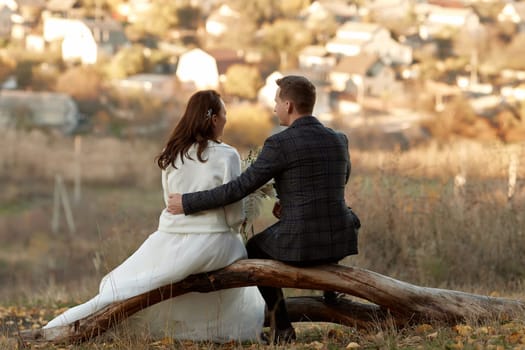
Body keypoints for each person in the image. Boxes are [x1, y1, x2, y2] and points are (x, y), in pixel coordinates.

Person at [42, 90, 266, 343]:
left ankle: (59, 328)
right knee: (237, 252)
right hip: (214, 241)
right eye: (224, 114)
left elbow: (170, 202)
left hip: (169, 237)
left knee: (132, 282)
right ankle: (211, 326)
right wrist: (239, 221)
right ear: (214, 119)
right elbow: (233, 215)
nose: (226, 119)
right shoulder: (227, 155)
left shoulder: (173, 153)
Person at [167, 75, 360, 344]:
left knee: (254, 248)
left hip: (302, 243)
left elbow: (239, 188)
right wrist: (291, 202)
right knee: (315, 226)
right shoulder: (339, 139)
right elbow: (337, 182)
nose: (274, 108)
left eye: (277, 102)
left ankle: (282, 326)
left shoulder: (280, 143)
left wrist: (187, 202)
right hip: (341, 238)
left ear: (289, 105)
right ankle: (330, 293)